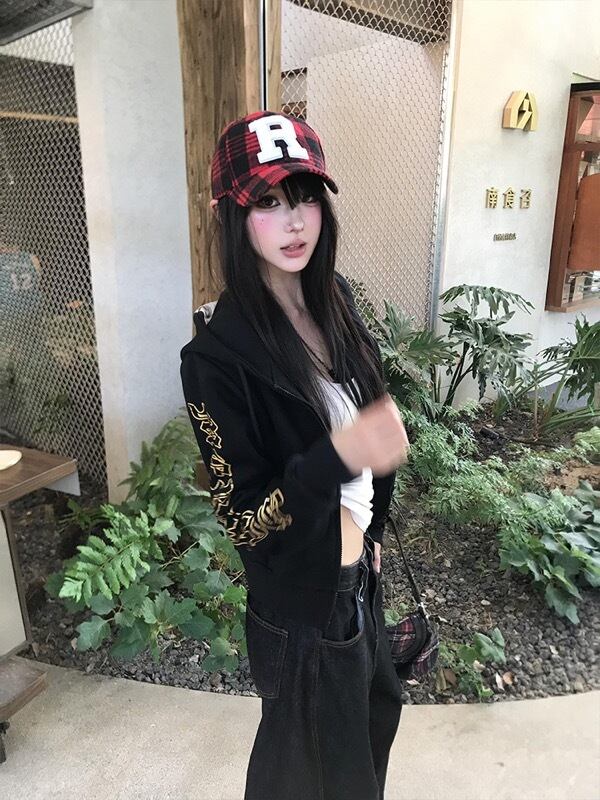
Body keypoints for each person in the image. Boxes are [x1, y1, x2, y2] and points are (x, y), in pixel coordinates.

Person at [179, 110, 410, 800]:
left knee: (369, 739)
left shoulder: (334, 300)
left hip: (357, 585)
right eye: (268, 202)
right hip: (303, 609)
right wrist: (338, 454)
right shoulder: (215, 360)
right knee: (305, 779)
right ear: (230, 217)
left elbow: (367, 429)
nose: (294, 221)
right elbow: (244, 520)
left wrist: (371, 534)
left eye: (305, 196)